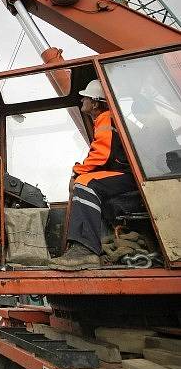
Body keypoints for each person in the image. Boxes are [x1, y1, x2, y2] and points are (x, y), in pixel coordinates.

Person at [50, 80, 137, 270]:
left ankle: (85, 250)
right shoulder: (105, 120)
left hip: (128, 175)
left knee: (84, 184)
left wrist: (77, 172)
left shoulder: (106, 118)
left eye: (86, 97)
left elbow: (101, 154)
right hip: (125, 174)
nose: (82, 99)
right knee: (86, 180)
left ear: (96, 103)